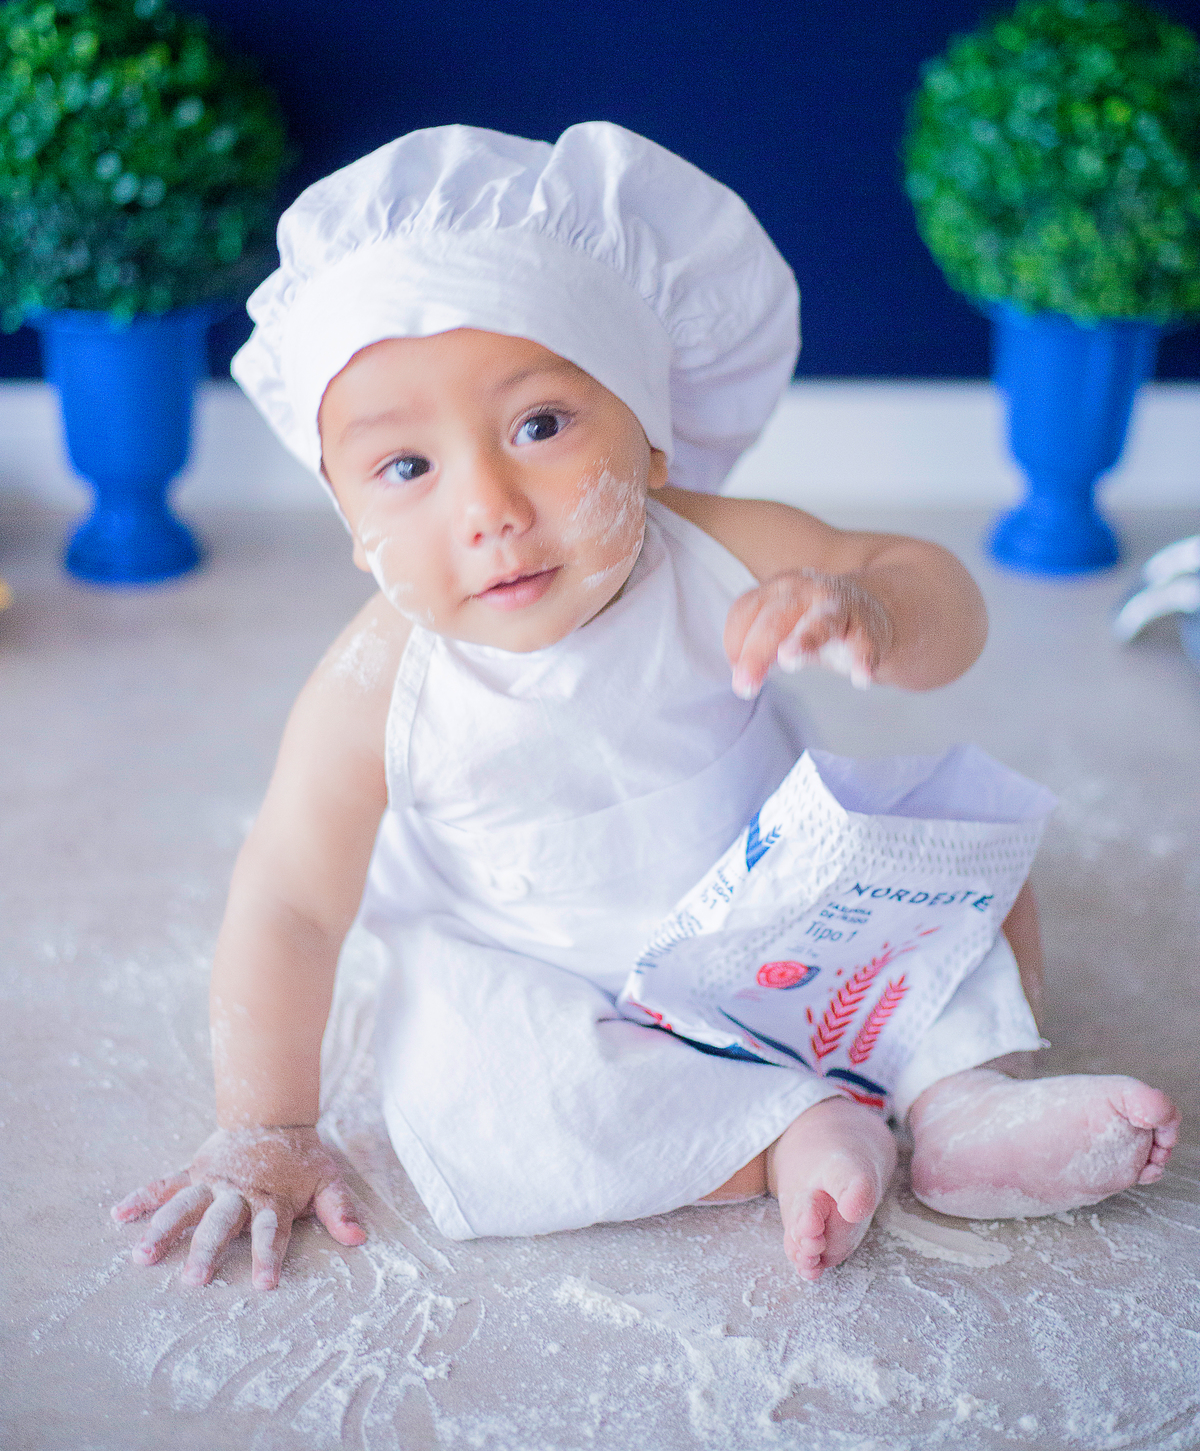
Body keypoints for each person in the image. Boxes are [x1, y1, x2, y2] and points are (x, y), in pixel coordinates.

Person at [112, 123, 1179, 1291]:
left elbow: (943, 605)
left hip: (779, 921)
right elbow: (291, 904)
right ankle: (781, 1137)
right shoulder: (375, 686)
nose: (492, 508)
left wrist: (872, 610)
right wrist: (268, 1123)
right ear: (349, 522)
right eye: (407, 468)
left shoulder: (719, 549)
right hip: (550, 973)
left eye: (541, 426)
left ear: (655, 435)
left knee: (962, 874)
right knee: (477, 1095)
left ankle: (967, 1105)